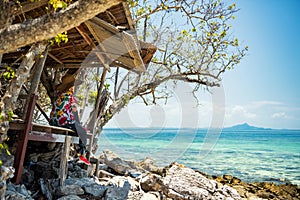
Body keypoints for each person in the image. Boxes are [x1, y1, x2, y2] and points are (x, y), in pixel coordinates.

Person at [49, 74, 91, 165]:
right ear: (71, 88)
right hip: (64, 123)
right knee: (82, 132)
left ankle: (79, 153)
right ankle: (82, 154)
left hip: (54, 122)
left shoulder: (58, 97)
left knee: (78, 130)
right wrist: (79, 126)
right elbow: (75, 114)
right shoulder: (70, 98)